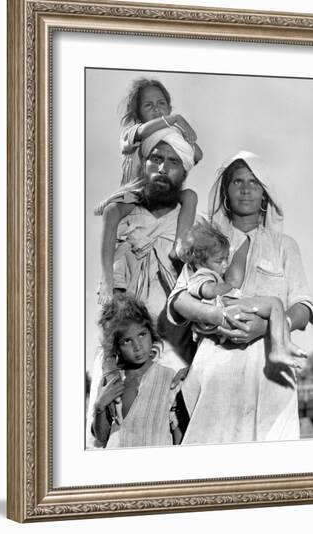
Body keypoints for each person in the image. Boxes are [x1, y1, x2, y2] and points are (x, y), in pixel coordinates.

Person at [168, 151, 313, 444]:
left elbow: (303, 306)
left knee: (272, 469)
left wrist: (270, 326)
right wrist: (217, 316)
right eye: (237, 182)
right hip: (215, 373)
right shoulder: (206, 241)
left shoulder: (285, 246)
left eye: (254, 182)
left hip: (270, 375)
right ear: (225, 191)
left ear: (265, 194)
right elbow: (179, 300)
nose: (246, 189)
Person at [86, 128, 197, 448]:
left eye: (173, 162)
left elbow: (184, 260)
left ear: (184, 172)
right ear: (143, 164)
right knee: (108, 423)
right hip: (122, 336)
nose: (163, 167)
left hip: (171, 337)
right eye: (156, 159)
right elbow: (110, 293)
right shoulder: (122, 213)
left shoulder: (188, 212)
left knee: (178, 429)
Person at [95, 79, 203, 304]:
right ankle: (107, 277)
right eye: (148, 105)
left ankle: (179, 246)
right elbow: (141, 133)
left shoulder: (172, 135)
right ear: (138, 113)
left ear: (169, 106)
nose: (156, 109)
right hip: (135, 192)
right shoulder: (134, 132)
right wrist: (173, 120)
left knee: (190, 196)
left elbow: (197, 155)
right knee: (112, 212)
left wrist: (183, 134)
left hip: (162, 189)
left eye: (161, 103)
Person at [176, 219, 307, 368]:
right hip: (227, 306)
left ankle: (282, 346)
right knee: (275, 304)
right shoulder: (201, 274)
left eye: (226, 259)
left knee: (275, 309)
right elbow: (207, 290)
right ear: (200, 261)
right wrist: (229, 286)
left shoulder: (207, 272)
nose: (225, 265)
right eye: (220, 261)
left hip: (227, 310)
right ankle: (279, 348)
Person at [92, 294, 183, 448]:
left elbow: (178, 433)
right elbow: (102, 436)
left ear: (151, 333)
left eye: (142, 335)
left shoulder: (169, 378)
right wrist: (99, 407)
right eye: (127, 341)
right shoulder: (112, 381)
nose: (138, 346)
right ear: (117, 347)